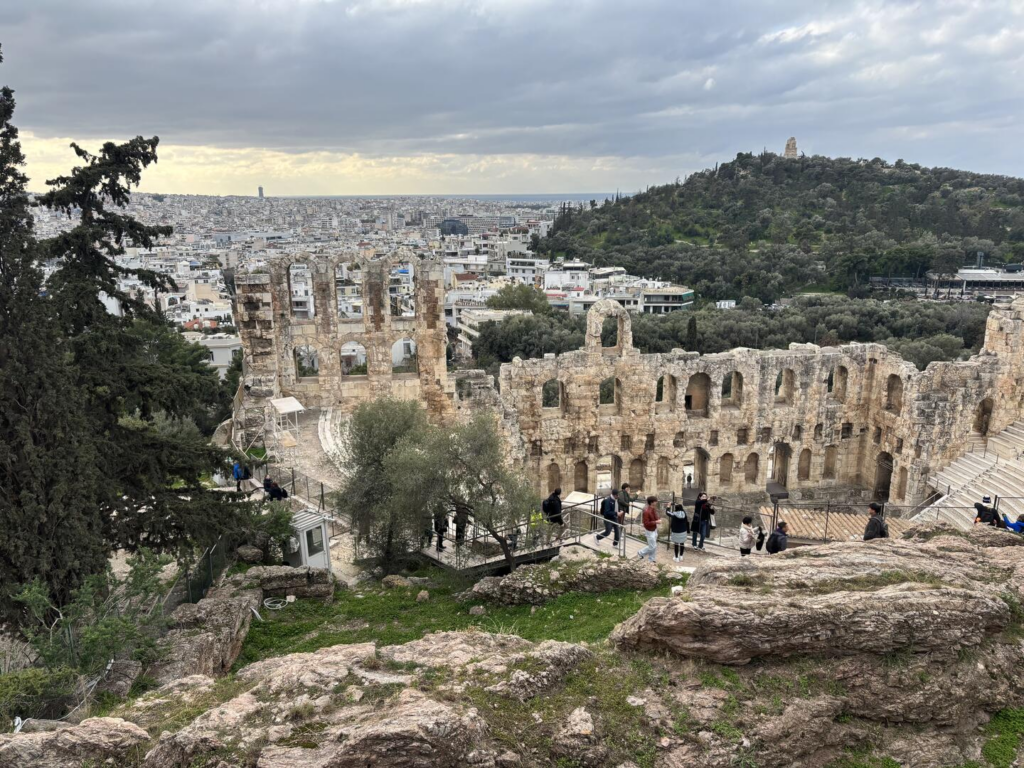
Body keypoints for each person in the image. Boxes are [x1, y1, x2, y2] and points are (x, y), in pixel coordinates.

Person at [636, 496, 661, 563]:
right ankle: (640, 553)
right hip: (649, 531)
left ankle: (651, 559)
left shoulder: (653, 509)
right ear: (652, 502)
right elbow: (646, 523)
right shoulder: (646, 511)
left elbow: (655, 518)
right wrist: (656, 522)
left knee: (653, 546)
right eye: (655, 501)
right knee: (652, 546)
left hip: (654, 529)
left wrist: (657, 519)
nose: (656, 502)